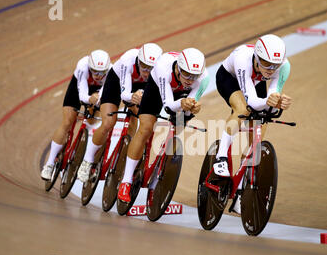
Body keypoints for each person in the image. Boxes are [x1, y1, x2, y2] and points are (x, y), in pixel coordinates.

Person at [117, 48, 210, 203]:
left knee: (177, 130)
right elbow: (167, 105)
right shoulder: (163, 67)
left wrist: (194, 107)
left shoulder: (203, 78)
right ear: (178, 68)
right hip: (157, 89)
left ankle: (155, 180)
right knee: (146, 128)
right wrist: (182, 103)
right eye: (186, 74)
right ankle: (125, 182)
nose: (189, 79)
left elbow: (189, 107)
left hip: (181, 95)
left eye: (194, 76)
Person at [214, 34, 293, 214]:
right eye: (266, 64)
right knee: (242, 109)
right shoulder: (244, 58)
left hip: (255, 82)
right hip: (230, 78)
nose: (271, 69)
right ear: (257, 58)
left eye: (275, 65)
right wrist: (272, 101)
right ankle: (220, 157)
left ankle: (241, 186)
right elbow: (252, 102)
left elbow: (271, 97)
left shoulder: (284, 67)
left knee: (262, 121)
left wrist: (277, 102)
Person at [77, 43, 163, 182]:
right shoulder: (128, 60)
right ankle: (87, 161)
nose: (146, 71)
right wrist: (134, 97)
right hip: (117, 83)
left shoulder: (160, 69)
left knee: (142, 122)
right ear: (138, 60)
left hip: (141, 87)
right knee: (108, 123)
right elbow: (124, 94)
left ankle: (126, 150)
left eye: (150, 68)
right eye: (143, 66)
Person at [41, 49, 111, 180]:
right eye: (94, 71)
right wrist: (90, 99)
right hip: (79, 88)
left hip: (97, 92)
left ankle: (86, 138)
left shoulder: (111, 71)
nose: (98, 75)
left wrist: (97, 98)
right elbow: (82, 94)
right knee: (68, 121)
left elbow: (105, 92)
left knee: (96, 118)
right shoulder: (83, 66)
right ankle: (49, 164)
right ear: (90, 67)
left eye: (102, 73)